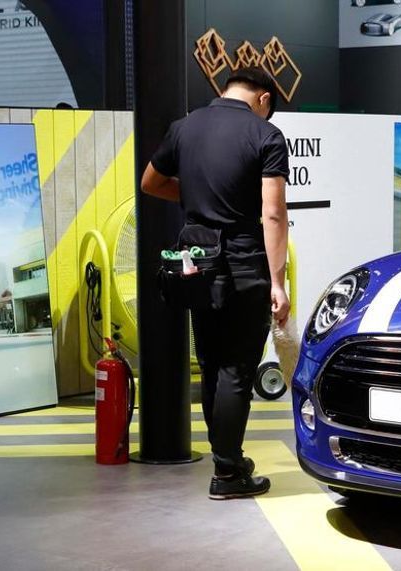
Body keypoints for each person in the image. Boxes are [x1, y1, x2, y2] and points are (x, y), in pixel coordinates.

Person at [140, 67, 290, 500]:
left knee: (210, 364)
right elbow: (274, 213)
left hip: (197, 263)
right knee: (237, 368)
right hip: (243, 263)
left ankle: (227, 459)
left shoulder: (184, 128)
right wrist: (277, 282)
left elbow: (150, 182)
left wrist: (193, 200)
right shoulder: (265, 135)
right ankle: (227, 471)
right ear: (263, 99)